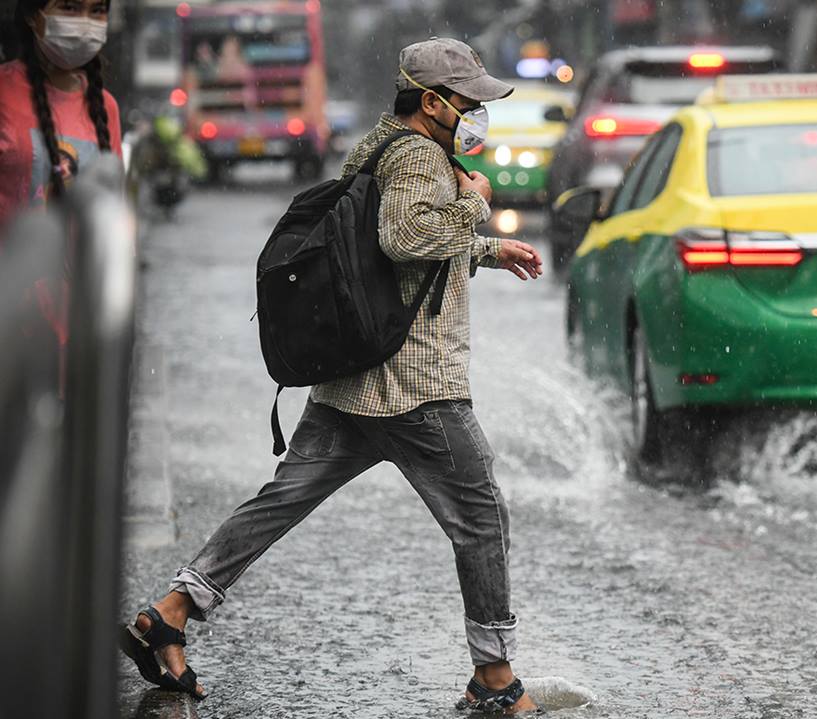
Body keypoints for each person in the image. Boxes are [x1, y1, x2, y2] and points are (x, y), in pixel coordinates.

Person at [117, 37, 544, 715]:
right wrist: (477, 203)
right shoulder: (419, 155)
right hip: (414, 386)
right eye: (469, 103)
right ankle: (494, 676)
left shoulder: (379, 144)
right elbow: (406, 237)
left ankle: (171, 608)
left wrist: (489, 251)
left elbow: (392, 245)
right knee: (481, 516)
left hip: (355, 380)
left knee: (282, 500)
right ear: (432, 102)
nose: (477, 114)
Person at [0, 0, 121, 229]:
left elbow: (112, 219)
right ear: (32, 16)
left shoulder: (106, 107)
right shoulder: (3, 91)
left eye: (97, 11)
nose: (84, 24)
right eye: (69, 7)